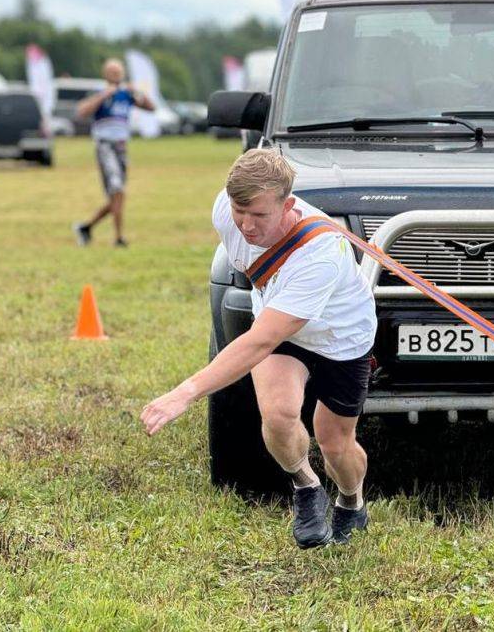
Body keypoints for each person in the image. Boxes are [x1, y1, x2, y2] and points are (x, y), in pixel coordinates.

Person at [140, 149, 377, 548]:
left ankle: (351, 503)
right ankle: (306, 487)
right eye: (240, 211)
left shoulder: (320, 255)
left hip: (340, 337)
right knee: (279, 415)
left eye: (260, 216)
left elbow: (258, 340)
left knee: (335, 442)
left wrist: (185, 393)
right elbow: (268, 336)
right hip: (280, 326)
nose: (247, 226)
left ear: (288, 205)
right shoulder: (226, 210)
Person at [73, 59, 154, 247]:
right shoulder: (99, 91)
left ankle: (86, 228)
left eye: (119, 72)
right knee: (117, 190)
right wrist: (103, 96)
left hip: (122, 147)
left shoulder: (126, 94)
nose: (116, 76)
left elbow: (150, 107)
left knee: (119, 195)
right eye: (112, 72)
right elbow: (81, 111)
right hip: (105, 145)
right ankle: (118, 238)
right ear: (105, 74)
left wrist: (138, 91)